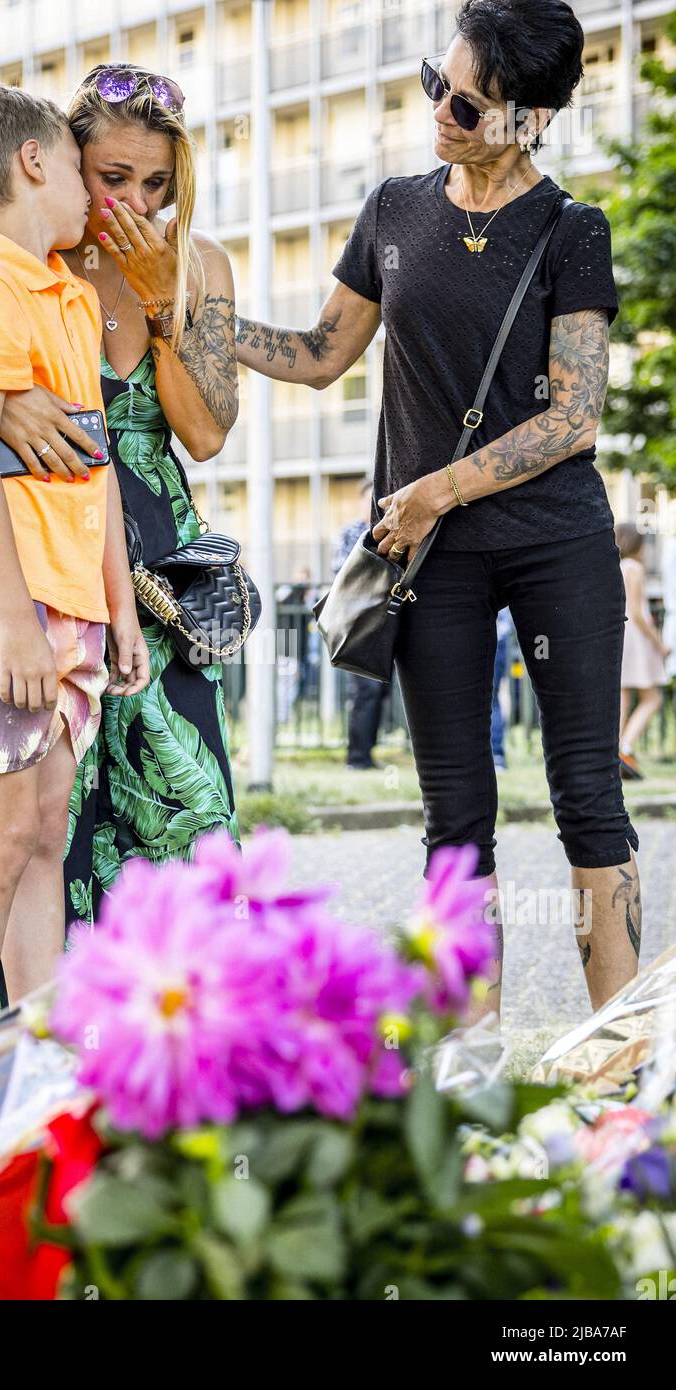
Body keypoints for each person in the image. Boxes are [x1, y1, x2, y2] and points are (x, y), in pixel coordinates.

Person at [236, 0, 641, 1020]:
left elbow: (573, 417)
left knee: (586, 800)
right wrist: (196, 322)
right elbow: (323, 355)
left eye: (467, 103)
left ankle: (620, 1058)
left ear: (531, 118)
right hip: (432, 565)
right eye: (437, 85)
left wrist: (432, 491)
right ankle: (465, 1067)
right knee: (452, 816)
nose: (440, 113)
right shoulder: (392, 210)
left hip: (556, 543)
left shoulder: (569, 231)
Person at [0, 64, 241, 1014]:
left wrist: (156, 303)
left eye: (157, 183)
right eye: (113, 176)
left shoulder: (200, 265)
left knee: (180, 814)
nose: (134, 202)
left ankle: (177, 1064)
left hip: (146, 565)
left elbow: (207, 431)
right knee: (19, 823)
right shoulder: (8, 246)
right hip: (16, 564)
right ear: (57, 161)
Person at [0, 81, 150, 1046]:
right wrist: (13, 620)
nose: (97, 192)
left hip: (67, 595)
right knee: (1, 835)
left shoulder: (70, 295)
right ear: (34, 162)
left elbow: (97, 468)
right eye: (78, 167)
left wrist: (118, 607)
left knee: (47, 829)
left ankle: (37, 1070)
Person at [331, 478, 390, 769]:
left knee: (380, 691)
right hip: (359, 622)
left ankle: (367, 752)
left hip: (387, 618)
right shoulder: (350, 534)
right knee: (365, 691)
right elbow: (343, 574)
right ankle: (357, 757)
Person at [616, 522, 670, 780]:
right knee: (653, 697)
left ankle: (615, 750)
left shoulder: (617, 567)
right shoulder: (635, 568)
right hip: (636, 638)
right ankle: (625, 746)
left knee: (623, 696)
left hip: (620, 635)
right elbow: (638, 613)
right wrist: (659, 643)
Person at [490, 606, 515, 772]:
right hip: (500, 635)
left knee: (492, 698)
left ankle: (497, 753)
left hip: (497, 635)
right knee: (495, 697)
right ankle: (497, 753)